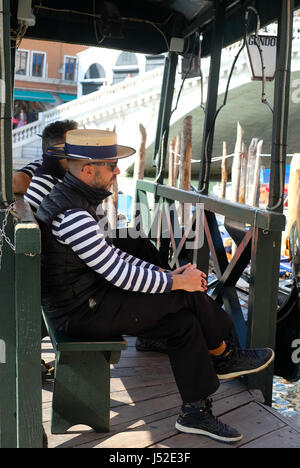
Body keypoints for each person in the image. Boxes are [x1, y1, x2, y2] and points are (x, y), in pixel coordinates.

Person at [36, 129, 274, 443]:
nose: (118, 170)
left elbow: (113, 258)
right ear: (87, 169)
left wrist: (174, 277)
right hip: (80, 312)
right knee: (185, 298)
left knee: (182, 322)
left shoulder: (72, 199)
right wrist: (177, 281)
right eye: (111, 164)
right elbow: (117, 272)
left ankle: (197, 409)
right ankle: (224, 354)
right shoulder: (73, 214)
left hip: (82, 300)